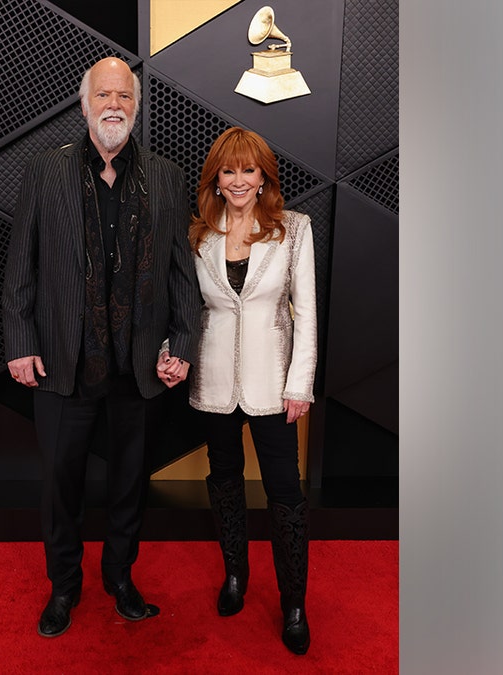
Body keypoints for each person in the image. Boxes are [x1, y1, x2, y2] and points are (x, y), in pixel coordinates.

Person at [2, 56, 201, 639]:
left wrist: (184, 343)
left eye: (125, 96)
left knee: (129, 482)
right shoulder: (45, 172)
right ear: (84, 104)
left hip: (139, 368)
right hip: (64, 363)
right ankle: (64, 587)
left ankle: (121, 578)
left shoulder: (165, 176)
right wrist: (19, 341)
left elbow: (180, 272)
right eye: (104, 94)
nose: (114, 103)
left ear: (135, 107)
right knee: (61, 483)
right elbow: (21, 266)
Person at [186, 127, 317, 655]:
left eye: (249, 170)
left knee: (285, 494)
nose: (239, 181)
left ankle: (293, 603)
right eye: (229, 171)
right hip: (213, 379)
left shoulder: (294, 229)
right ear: (216, 179)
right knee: (223, 481)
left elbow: (305, 313)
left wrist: (300, 384)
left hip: (274, 384)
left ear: (264, 176)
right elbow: (187, 307)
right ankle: (235, 575)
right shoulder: (199, 232)